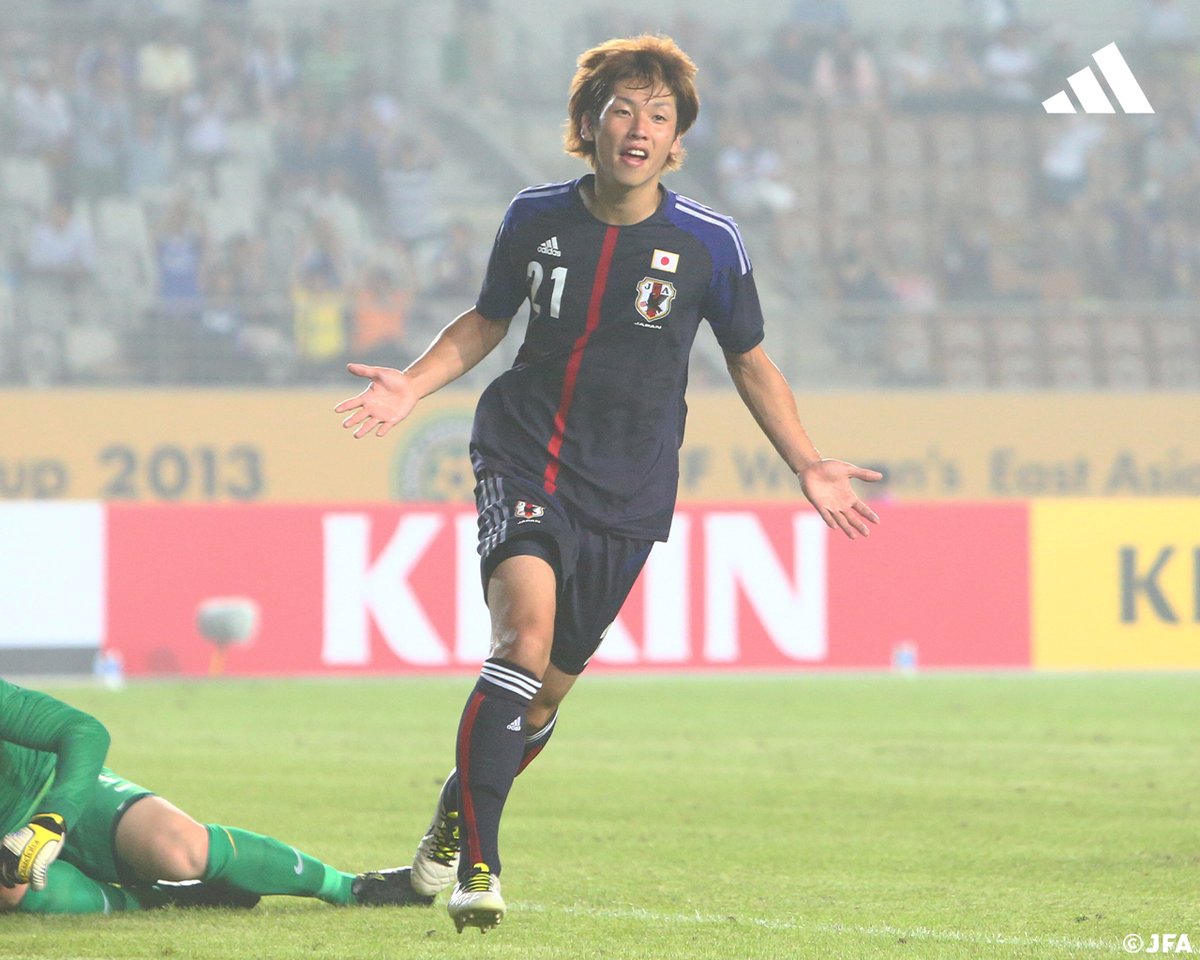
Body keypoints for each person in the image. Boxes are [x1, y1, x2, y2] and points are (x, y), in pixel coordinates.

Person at [334, 35, 882, 934]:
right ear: (587, 128)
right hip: (525, 452)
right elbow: (486, 320)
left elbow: (748, 359)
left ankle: (444, 832)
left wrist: (807, 460)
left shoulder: (710, 242)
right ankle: (480, 865)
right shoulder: (533, 217)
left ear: (677, 143)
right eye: (622, 109)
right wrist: (415, 381)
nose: (639, 127)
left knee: (544, 698)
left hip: (629, 489)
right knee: (521, 641)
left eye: (659, 116)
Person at [0, 677, 430, 914]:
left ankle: (350, 888)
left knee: (179, 848)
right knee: (7, 893)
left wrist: (51, 819)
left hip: (53, 785)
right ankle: (156, 900)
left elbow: (83, 731)